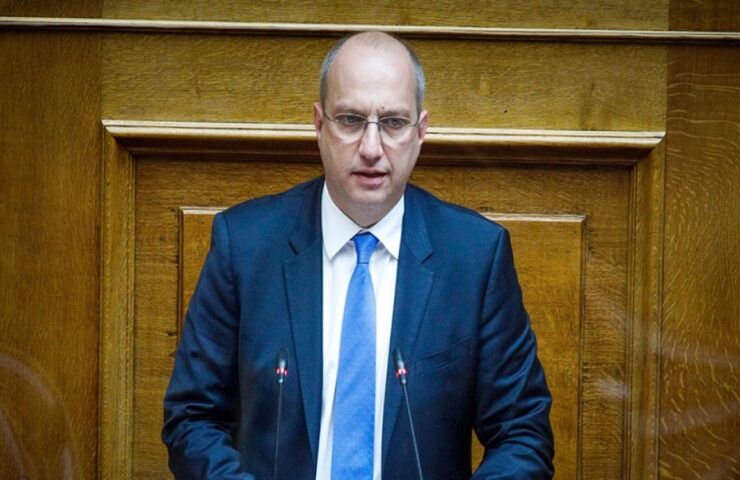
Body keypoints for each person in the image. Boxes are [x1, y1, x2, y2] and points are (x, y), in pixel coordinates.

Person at [162, 31, 554, 479]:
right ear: (319, 125)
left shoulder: (475, 257)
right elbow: (192, 418)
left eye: (393, 123)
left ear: (421, 132)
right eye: (350, 120)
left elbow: (523, 435)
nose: (371, 148)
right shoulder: (245, 245)